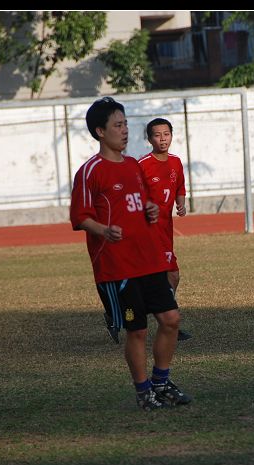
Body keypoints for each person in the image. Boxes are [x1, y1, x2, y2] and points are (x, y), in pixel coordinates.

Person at [70, 97, 192, 411]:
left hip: (148, 259)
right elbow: (80, 217)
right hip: (118, 266)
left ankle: (161, 382)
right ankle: (144, 392)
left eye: (125, 124)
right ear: (100, 131)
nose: (124, 130)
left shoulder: (133, 166)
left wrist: (150, 208)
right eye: (118, 125)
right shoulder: (90, 171)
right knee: (136, 330)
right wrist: (103, 230)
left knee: (171, 319)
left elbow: (141, 202)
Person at [138, 118, 192, 341]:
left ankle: (127, 312)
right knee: (170, 274)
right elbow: (134, 195)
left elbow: (179, 186)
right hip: (148, 230)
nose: (162, 139)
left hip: (165, 229)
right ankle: (169, 322)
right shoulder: (142, 165)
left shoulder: (176, 162)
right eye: (157, 135)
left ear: (171, 135)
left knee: (168, 277)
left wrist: (181, 204)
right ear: (149, 138)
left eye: (166, 134)